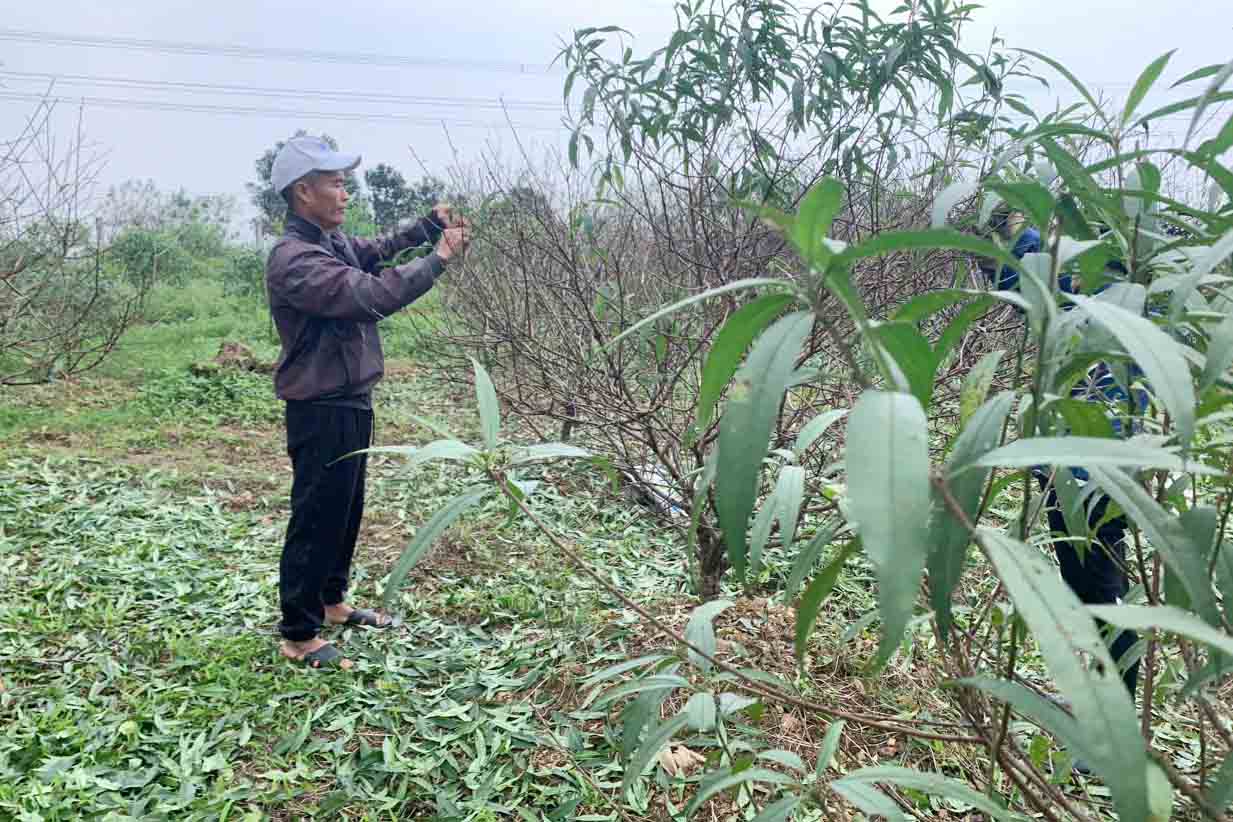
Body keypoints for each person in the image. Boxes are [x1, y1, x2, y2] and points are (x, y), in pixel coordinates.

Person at [265, 135, 471, 669]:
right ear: (303, 192)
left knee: (346, 508)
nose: (345, 192)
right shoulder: (295, 259)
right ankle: (298, 632)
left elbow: (374, 251)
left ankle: (332, 603)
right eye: (335, 183)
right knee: (316, 515)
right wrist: (438, 258)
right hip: (321, 405)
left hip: (351, 398)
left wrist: (426, 226)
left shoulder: (328, 244)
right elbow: (372, 295)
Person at [979, 212, 1142, 700]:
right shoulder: (1112, 295)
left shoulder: (1113, 300)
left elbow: (1036, 280)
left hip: (1094, 474)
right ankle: (1097, 696)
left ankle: (1115, 714)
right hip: (1073, 467)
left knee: (1101, 592)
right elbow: (1038, 284)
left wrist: (1014, 231)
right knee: (1085, 587)